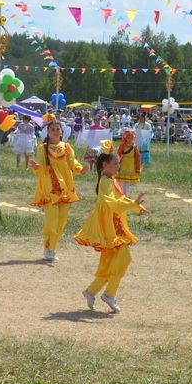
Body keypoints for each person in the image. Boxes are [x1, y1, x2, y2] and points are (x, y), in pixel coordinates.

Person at [75, 140, 149, 314]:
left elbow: (120, 201)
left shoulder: (111, 181)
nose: (118, 166)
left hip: (114, 226)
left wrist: (136, 207)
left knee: (111, 263)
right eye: (115, 163)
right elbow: (113, 204)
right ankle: (109, 294)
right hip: (110, 230)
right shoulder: (105, 182)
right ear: (104, 165)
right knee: (123, 258)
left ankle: (91, 291)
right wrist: (132, 204)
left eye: (118, 163)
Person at [30, 114, 84, 262]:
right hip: (51, 189)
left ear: (61, 132)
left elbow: (73, 164)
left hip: (66, 190)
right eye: (52, 129)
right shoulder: (43, 148)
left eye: (57, 129)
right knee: (51, 221)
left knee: (62, 221)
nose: (55, 131)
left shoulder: (67, 147)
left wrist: (81, 169)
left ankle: (52, 248)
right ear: (48, 132)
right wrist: (36, 167)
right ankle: (47, 248)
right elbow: (41, 169)